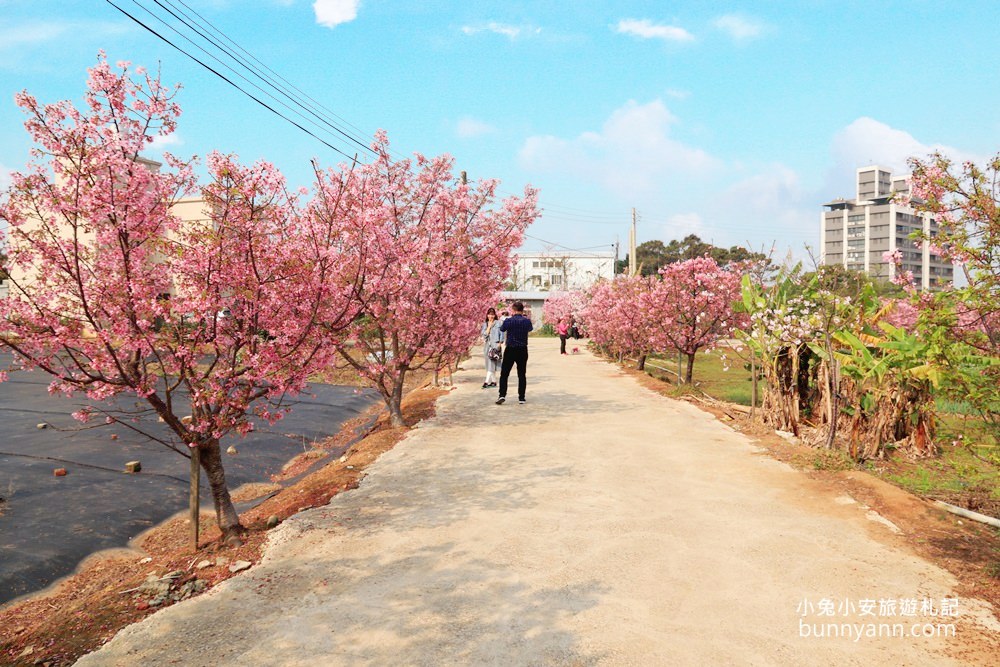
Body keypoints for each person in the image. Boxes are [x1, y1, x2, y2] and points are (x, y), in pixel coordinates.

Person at [496, 301, 533, 405]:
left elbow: (502, 329)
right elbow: (530, 329)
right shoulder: (527, 321)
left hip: (511, 348)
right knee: (521, 374)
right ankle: (521, 398)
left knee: (504, 373)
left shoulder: (509, 321)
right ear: (522, 310)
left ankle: (502, 395)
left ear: (513, 310)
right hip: (522, 349)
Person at [480, 307, 504, 388]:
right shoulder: (485, 324)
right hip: (487, 346)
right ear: (487, 315)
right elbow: (484, 335)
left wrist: (500, 343)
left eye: (493, 314)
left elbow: (502, 333)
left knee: (492, 363)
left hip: (496, 346)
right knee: (489, 363)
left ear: (495, 315)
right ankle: (494, 382)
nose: (491, 316)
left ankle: (486, 382)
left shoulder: (499, 323)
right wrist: (489, 327)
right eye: (489, 314)